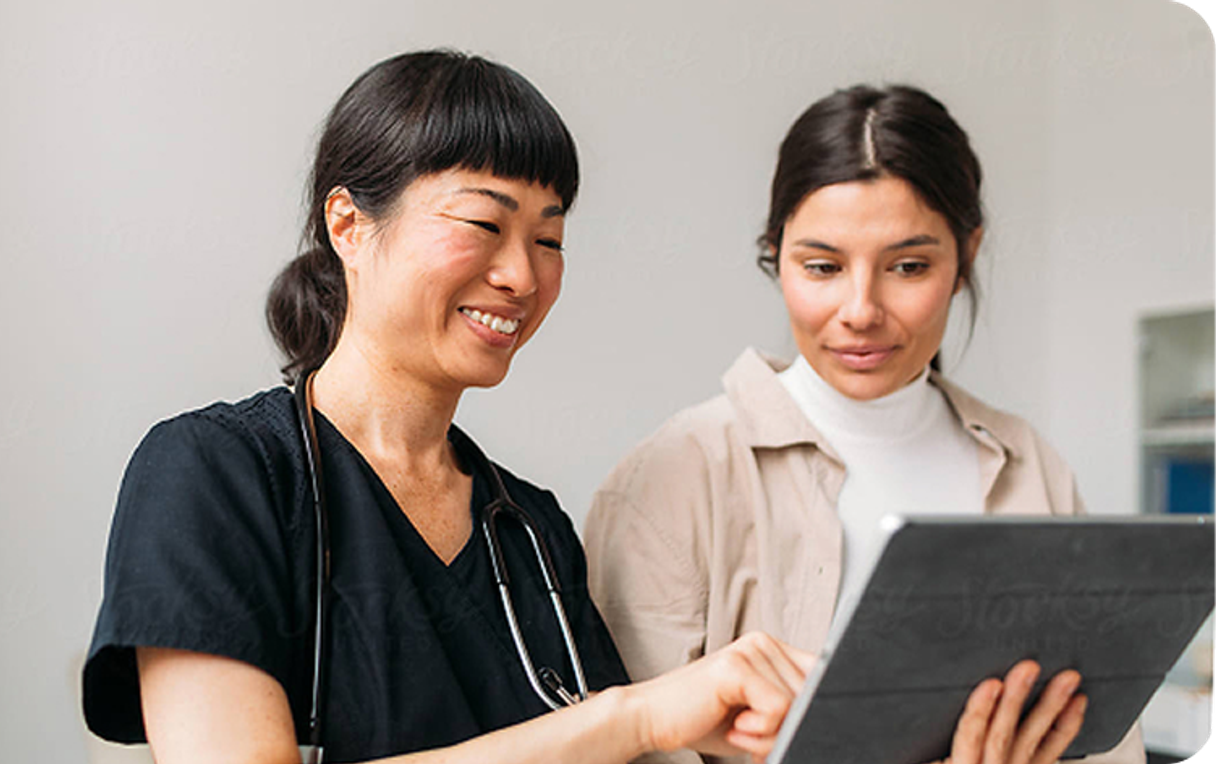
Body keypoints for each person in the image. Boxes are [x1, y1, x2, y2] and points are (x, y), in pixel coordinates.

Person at [81, 49, 813, 764]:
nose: (522, 275)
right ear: (348, 226)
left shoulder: (530, 529)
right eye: (484, 226)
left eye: (549, 238)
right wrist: (633, 719)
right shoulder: (214, 474)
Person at [584, 84, 1145, 764]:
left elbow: (1105, 739)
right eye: (821, 266)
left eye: (908, 267)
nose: (860, 310)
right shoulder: (676, 474)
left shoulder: (1029, 466)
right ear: (776, 253)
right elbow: (623, 747)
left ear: (966, 256)